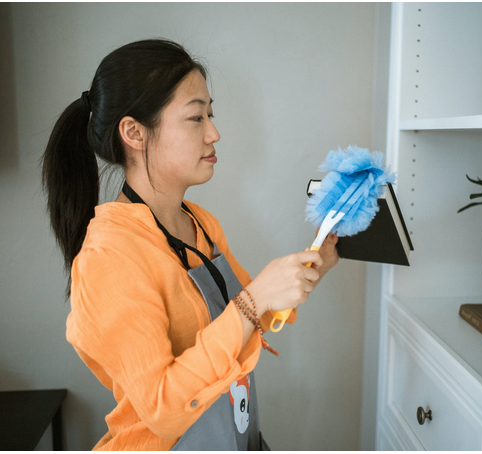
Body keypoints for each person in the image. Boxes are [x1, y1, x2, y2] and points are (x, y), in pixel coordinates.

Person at [40, 38, 339, 451]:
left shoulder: (200, 222)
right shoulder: (108, 256)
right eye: (196, 117)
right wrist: (255, 297)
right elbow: (163, 408)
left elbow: (258, 313)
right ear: (134, 133)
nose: (214, 132)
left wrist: (321, 256)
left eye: (210, 114)